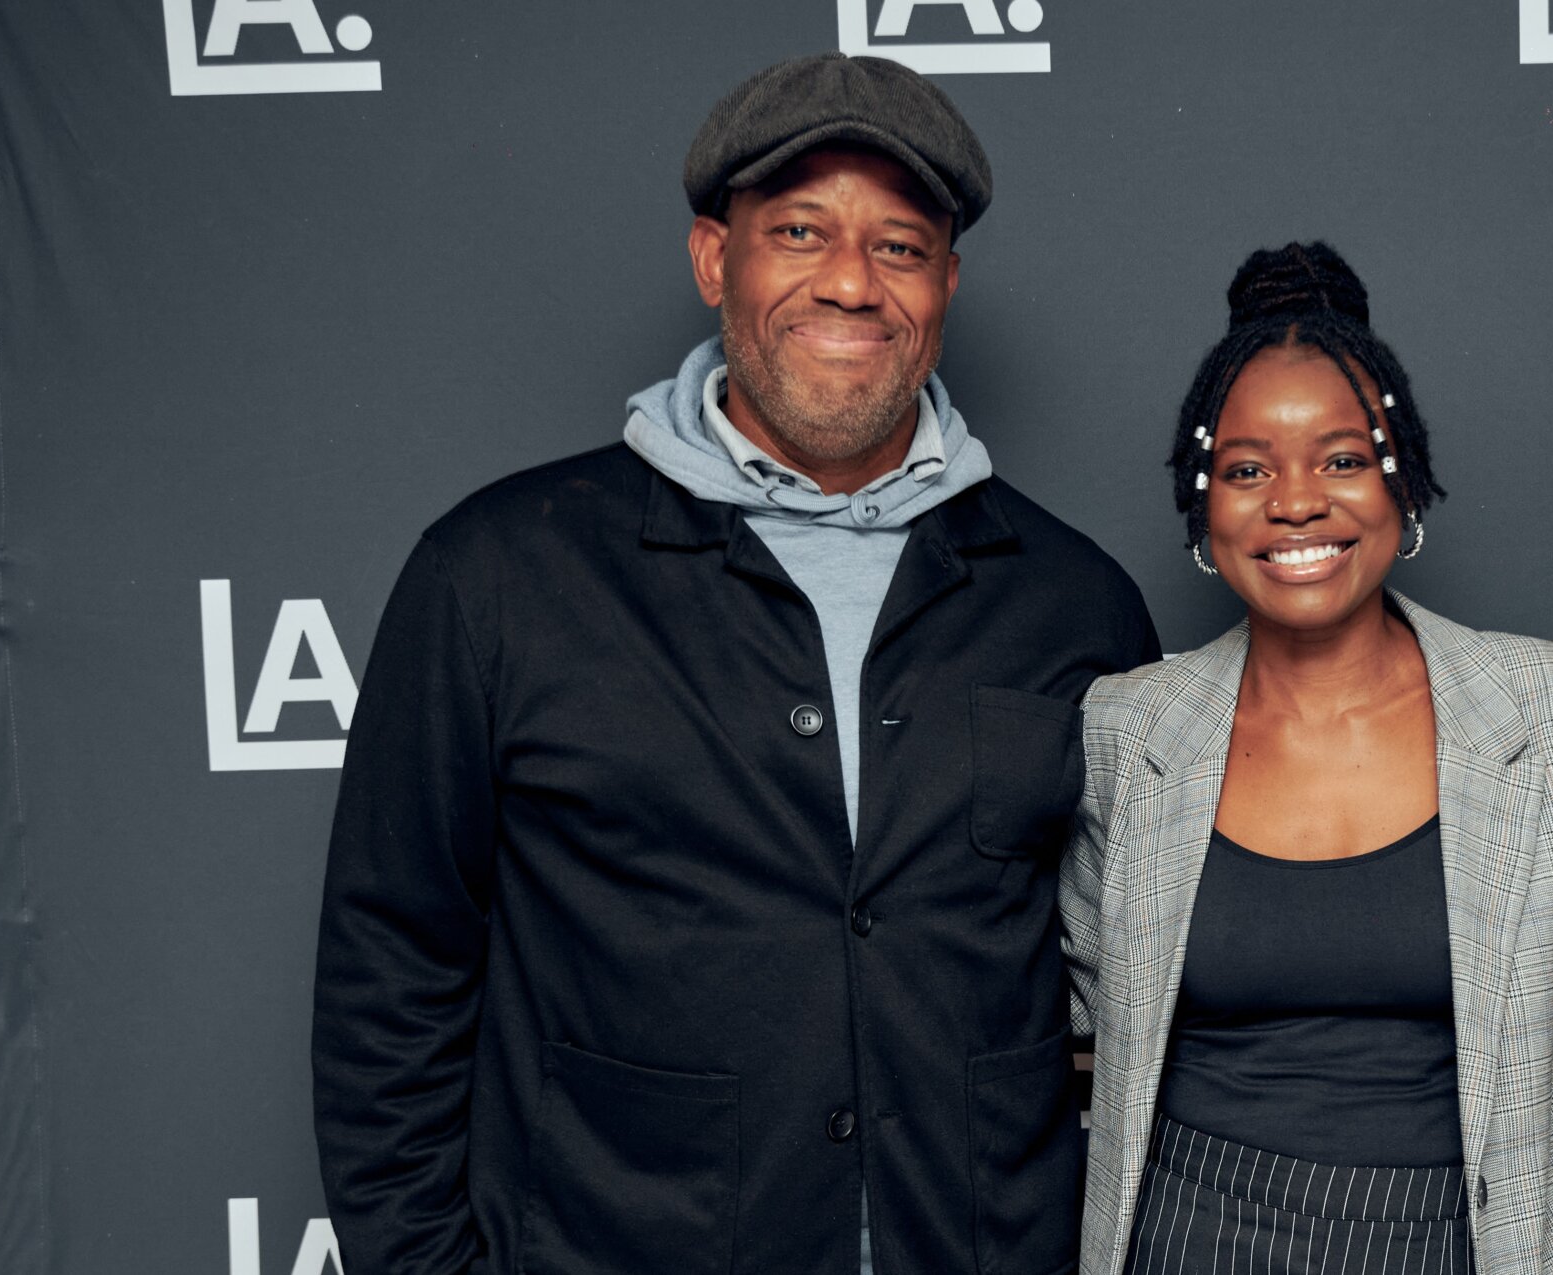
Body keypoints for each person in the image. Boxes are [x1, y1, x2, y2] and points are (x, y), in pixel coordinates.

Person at [310, 53, 1158, 1275]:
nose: (851, 283)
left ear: (947, 283)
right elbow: (392, 969)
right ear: (716, 259)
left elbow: (1127, 978)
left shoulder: (1071, 601)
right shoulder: (498, 576)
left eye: (901, 246)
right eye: (801, 231)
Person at [1061, 243, 1553, 1275]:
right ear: (1205, 506)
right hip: (1188, 1237)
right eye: (1245, 469)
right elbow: (1090, 1022)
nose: (1294, 502)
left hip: (1475, 1243)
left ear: (1399, 480)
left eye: (1341, 459)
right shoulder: (1125, 732)